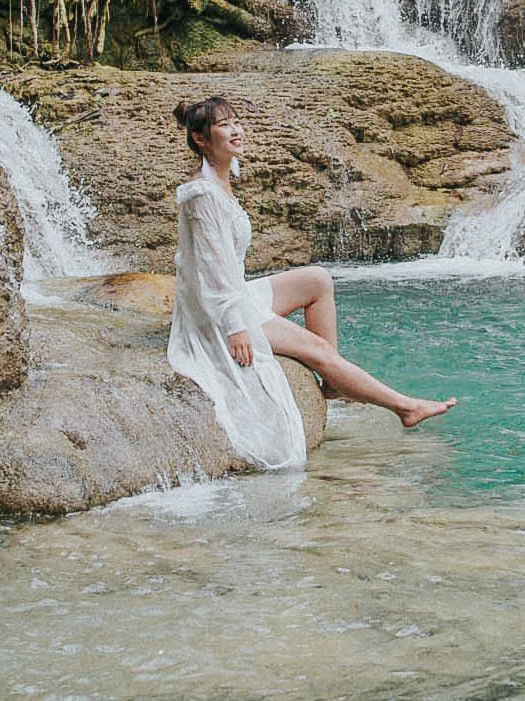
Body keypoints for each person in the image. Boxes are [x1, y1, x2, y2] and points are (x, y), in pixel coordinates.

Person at [167, 94, 455, 460]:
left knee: (317, 279)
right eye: (224, 125)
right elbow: (212, 267)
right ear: (201, 139)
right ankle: (405, 408)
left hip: (235, 291)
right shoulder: (202, 195)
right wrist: (235, 326)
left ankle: (334, 385)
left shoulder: (223, 182)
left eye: (236, 121)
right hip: (219, 309)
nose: (236, 130)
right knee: (318, 350)